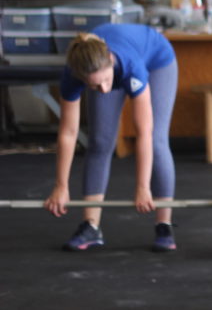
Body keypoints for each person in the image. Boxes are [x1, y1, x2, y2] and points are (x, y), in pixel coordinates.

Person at [44, 24, 179, 253]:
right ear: (81, 78)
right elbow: (68, 133)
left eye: (105, 81)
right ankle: (91, 226)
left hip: (156, 60)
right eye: (95, 85)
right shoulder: (72, 74)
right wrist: (60, 186)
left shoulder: (131, 65)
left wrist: (142, 186)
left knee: (156, 140)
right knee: (99, 141)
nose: (104, 90)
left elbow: (143, 133)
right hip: (106, 66)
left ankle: (163, 225)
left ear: (109, 60)